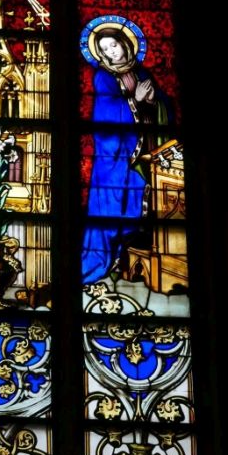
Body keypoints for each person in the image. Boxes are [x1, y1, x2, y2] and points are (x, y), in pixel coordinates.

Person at [81, 25, 170, 285]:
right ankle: (106, 260)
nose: (111, 52)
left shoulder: (142, 73)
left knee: (139, 205)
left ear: (125, 43)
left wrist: (153, 101)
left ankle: (126, 259)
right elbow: (104, 113)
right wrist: (134, 99)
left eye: (114, 45)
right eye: (105, 49)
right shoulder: (104, 76)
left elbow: (164, 106)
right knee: (112, 207)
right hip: (115, 158)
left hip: (143, 150)